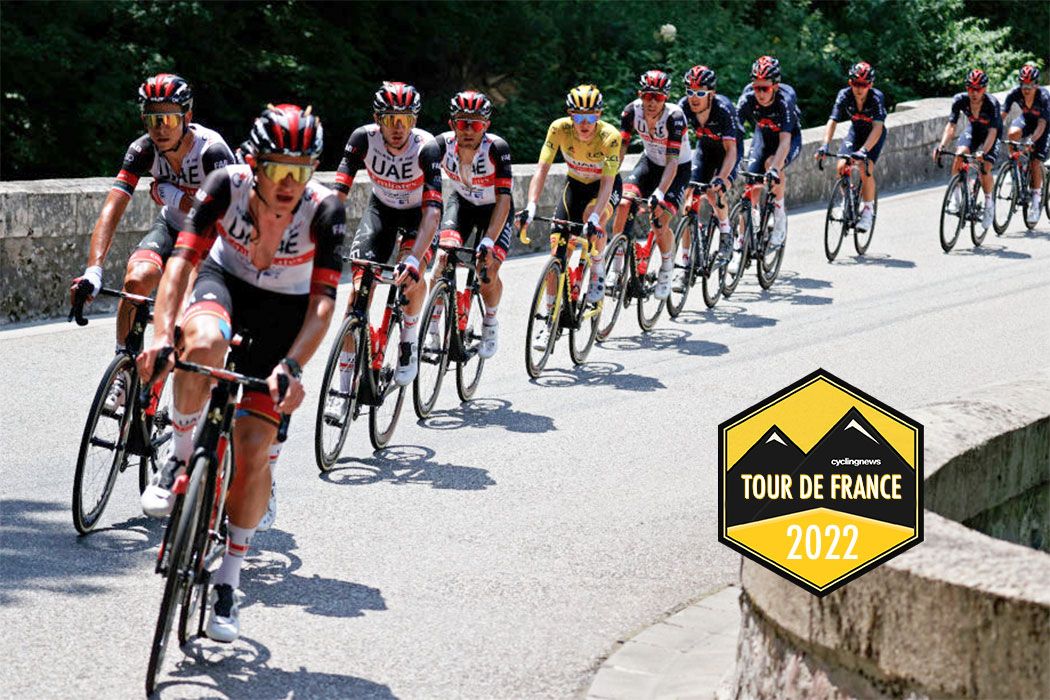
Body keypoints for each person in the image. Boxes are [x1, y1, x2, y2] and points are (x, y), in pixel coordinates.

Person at [136, 103, 345, 642]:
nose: (289, 183)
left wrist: (294, 367)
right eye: (279, 169)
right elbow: (181, 263)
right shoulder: (224, 185)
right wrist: (161, 334)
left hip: (286, 314)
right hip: (224, 282)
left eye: (302, 171)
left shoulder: (325, 210)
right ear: (254, 165)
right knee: (199, 343)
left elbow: (324, 304)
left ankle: (228, 578)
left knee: (254, 450)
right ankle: (178, 459)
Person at [70, 73, 233, 410]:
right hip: (172, 228)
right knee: (135, 280)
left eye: (168, 118)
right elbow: (112, 207)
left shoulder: (212, 152)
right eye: (152, 119)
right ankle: (125, 369)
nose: (159, 127)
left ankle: (187, 407)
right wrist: (94, 270)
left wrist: (168, 193)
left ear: (186, 118)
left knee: (179, 316)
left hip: (211, 236)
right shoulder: (143, 149)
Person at [331, 82, 443, 396]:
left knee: (409, 278)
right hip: (381, 209)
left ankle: (408, 341)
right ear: (377, 118)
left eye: (405, 120)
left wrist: (412, 259)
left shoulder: (427, 146)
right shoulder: (362, 139)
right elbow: (337, 194)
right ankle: (341, 389)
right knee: (356, 295)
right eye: (391, 118)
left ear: (415, 121)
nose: (397, 127)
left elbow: (433, 214)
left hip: (418, 215)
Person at [517, 84, 622, 348]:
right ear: (569, 115)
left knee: (590, 217)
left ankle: (597, 267)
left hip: (603, 187)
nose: (584, 123)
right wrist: (531, 205)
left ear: (599, 115)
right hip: (574, 186)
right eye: (578, 117)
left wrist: (597, 217)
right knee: (557, 251)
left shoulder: (610, 136)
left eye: (590, 117)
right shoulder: (559, 129)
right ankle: (550, 320)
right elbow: (541, 170)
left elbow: (608, 183)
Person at [428, 90, 513, 359]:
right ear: (452, 123)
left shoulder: (496, 148)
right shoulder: (440, 145)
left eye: (475, 124)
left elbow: (504, 199)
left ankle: (490, 322)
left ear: (485, 126)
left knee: (486, 269)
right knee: (442, 258)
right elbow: (423, 189)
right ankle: (431, 331)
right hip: (461, 204)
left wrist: (489, 240)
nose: (468, 130)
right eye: (462, 123)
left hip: (494, 210)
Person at [612, 70, 692, 300]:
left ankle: (667, 268)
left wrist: (659, 192)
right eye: (648, 96)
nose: (652, 102)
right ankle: (616, 268)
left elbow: (673, 162)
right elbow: (621, 148)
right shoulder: (631, 111)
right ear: (640, 95)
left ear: (665, 97)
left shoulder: (675, 117)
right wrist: (609, 176)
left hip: (676, 169)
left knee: (659, 221)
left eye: (658, 97)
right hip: (649, 163)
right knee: (625, 202)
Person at [677, 64, 743, 275]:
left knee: (715, 192)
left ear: (711, 94)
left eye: (700, 93)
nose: (693, 98)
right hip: (704, 150)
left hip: (728, 151)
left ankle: (725, 231)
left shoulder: (723, 109)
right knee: (688, 200)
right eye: (689, 92)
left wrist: (722, 178)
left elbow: (731, 150)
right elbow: (677, 146)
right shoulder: (683, 108)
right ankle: (685, 261)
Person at [736, 56, 803, 249]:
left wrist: (774, 168)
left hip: (787, 139)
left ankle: (780, 214)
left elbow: (784, 142)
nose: (760, 93)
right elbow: (735, 132)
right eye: (757, 87)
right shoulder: (748, 97)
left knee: (772, 165)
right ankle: (741, 239)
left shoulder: (785, 100)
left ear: (775, 85)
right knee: (750, 187)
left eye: (764, 88)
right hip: (763, 137)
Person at [816, 61, 887, 233]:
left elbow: (878, 128)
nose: (859, 88)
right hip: (855, 132)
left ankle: (868, 210)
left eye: (863, 85)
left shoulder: (876, 98)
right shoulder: (844, 95)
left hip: (873, 135)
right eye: (856, 84)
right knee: (841, 166)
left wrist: (864, 151)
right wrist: (825, 144)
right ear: (850, 83)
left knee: (865, 168)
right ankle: (847, 198)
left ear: (870, 84)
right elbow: (832, 120)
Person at [933, 69, 1002, 231]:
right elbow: (951, 125)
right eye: (970, 88)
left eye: (978, 89)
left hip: (991, 134)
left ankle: (989, 204)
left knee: (985, 166)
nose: (974, 92)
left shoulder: (992, 104)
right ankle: (958, 201)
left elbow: (993, 132)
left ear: (984, 89)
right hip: (974, 130)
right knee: (959, 155)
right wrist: (941, 146)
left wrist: (983, 152)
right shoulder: (959, 100)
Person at [1001, 64, 1049, 227]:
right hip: (1027, 119)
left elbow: (1042, 125)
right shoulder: (1015, 93)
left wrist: (1032, 140)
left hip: (1044, 125)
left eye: (1030, 85)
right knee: (1012, 134)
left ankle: (1036, 201)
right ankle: (1015, 167)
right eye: (1023, 84)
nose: (1026, 88)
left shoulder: (1044, 96)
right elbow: (1002, 116)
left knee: (1035, 161)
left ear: (1036, 84)